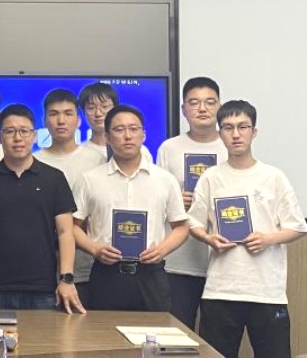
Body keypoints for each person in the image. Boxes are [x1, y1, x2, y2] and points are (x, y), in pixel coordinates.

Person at [188, 100, 307, 358]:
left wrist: (268, 239)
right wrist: (209, 238)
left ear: (254, 132)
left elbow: (298, 226)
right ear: (220, 133)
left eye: (243, 127)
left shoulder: (273, 177)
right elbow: (193, 223)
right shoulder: (210, 177)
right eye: (228, 127)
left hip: (266, 292)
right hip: (221, 290)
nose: (236, 134)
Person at [0, 104, 85, 314]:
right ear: (0, 137)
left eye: (24, 131)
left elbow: (65, 232)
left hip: (43, 290)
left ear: (34, 136)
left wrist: (66, 279)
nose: (18, 138)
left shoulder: (54, 178)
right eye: (10, 131)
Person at [73, 104, 189, 311]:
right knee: (103, 332)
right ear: (107, 137)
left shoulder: (165, 180)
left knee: (155, 330)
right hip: (106, 274)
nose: (127, 136)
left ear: (143, 135)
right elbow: (72, 226)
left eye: (134, 129)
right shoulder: (89, 179)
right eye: (119, 130)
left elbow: (181, 226)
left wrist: (161, 250)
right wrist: (95, 250)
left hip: (151, 274)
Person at [156, 76, 228, 330]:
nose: (202, 108)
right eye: (194, 102)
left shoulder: (231, 145)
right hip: (178, 262)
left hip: (222, 261)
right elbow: (157, 200)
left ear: (219, 106)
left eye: (210, 102)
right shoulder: (169, 148)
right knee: (177, 335)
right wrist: (176, 200)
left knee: (215, 338)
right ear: (184, 109)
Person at [34, 89, 104, 307]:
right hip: (42, 267)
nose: (61, 120)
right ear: (44, 121)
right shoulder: (33, 161)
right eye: (54, 114)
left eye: (68, 113)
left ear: (78, 120)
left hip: (88, 268)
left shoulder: (98, 160)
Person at [78, 81, 153, 162]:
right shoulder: (79, 154)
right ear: (83, 112)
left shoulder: (140, 151)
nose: (98, 113)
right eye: (91, 108)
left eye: (104, 106)